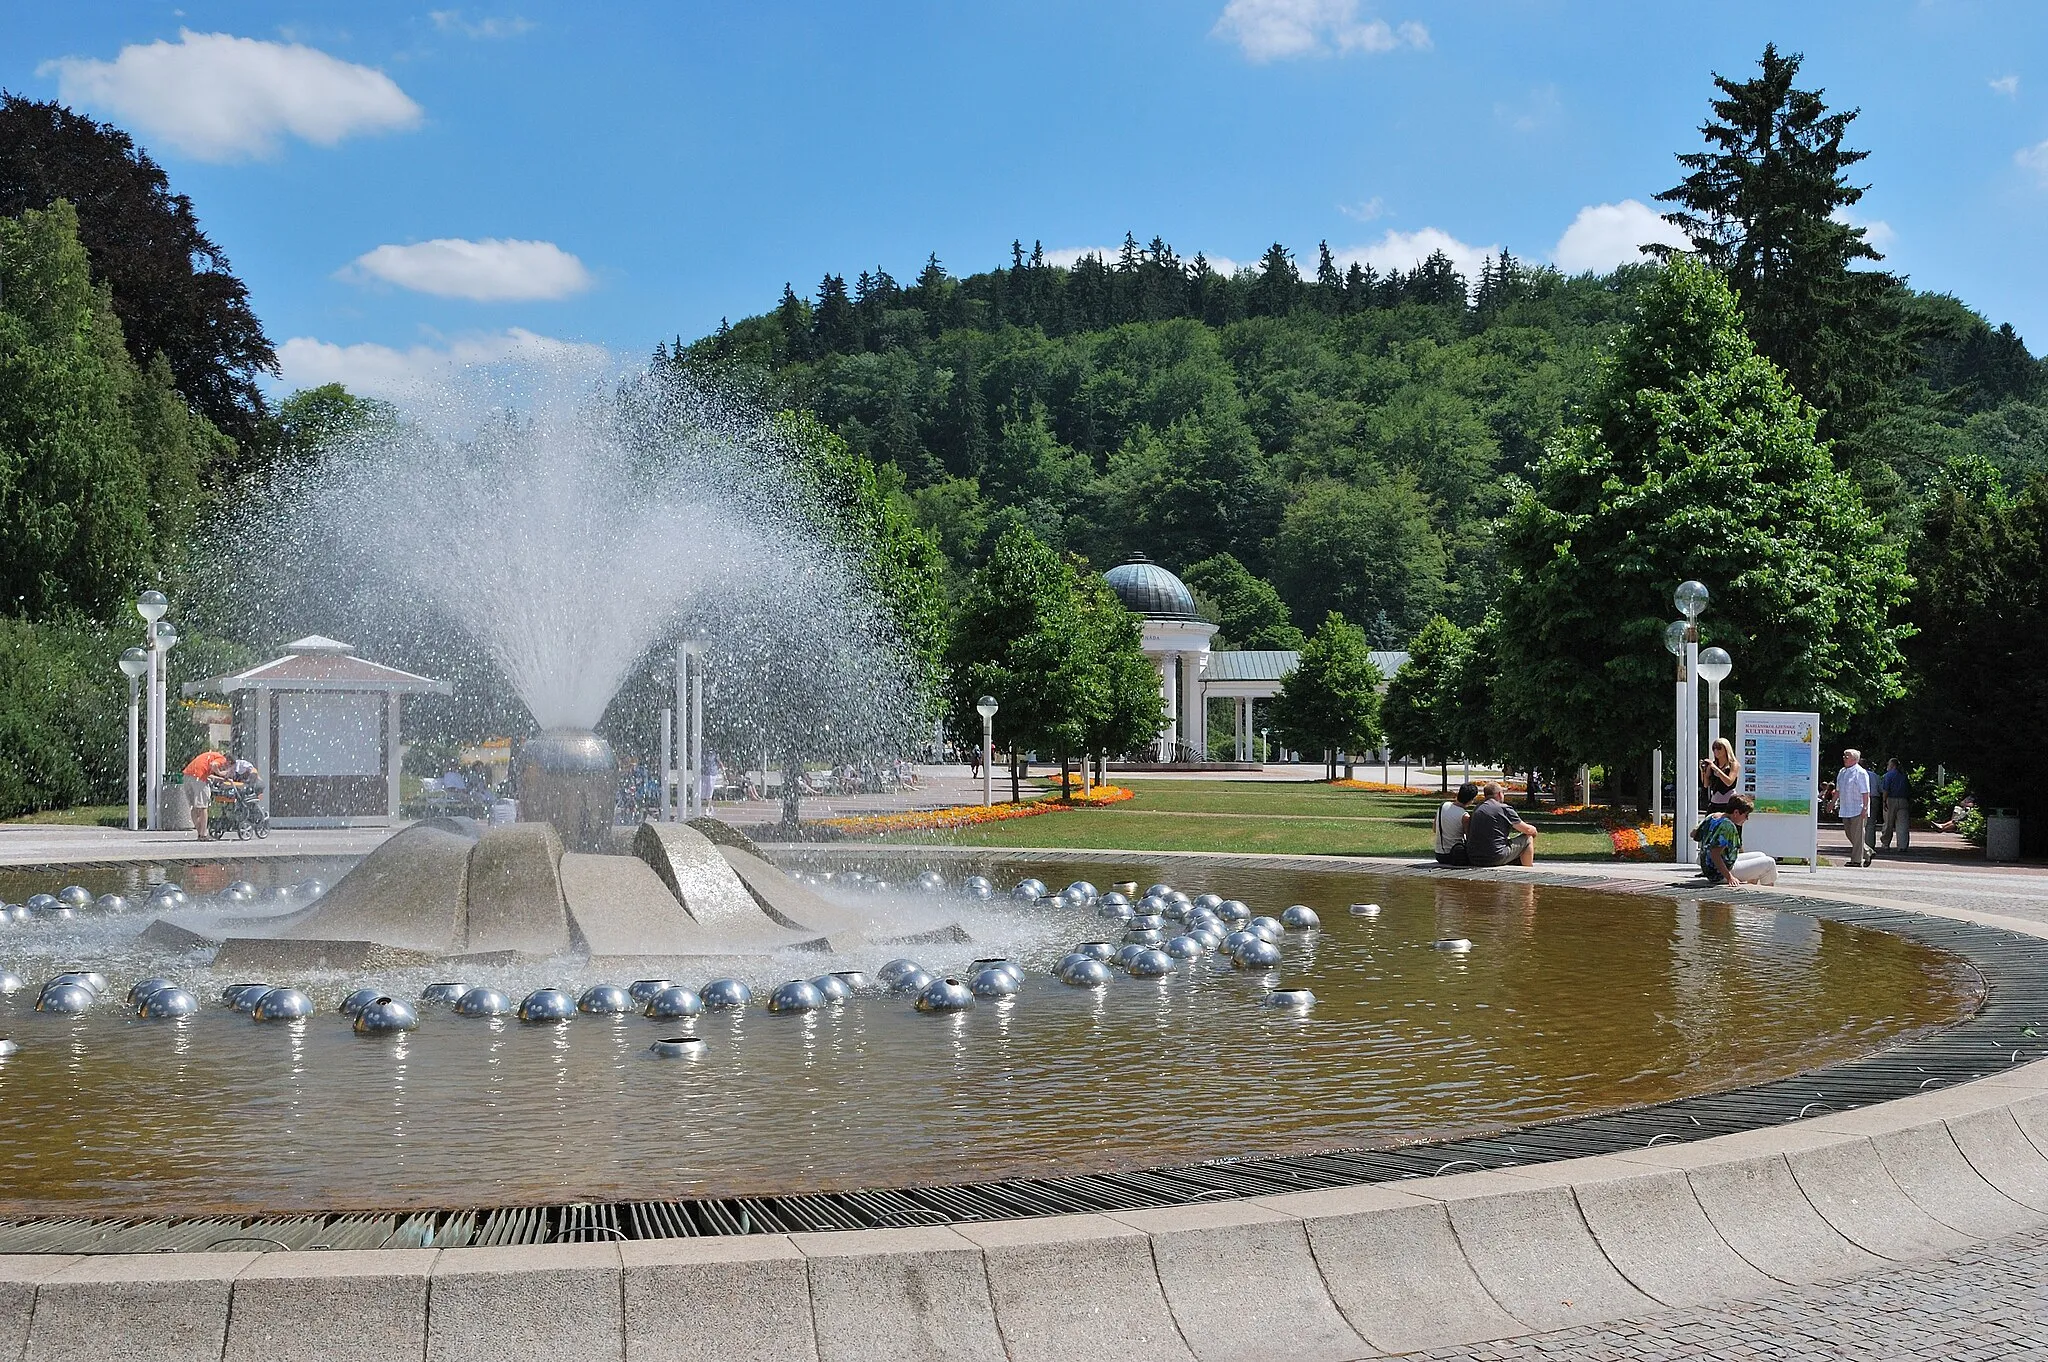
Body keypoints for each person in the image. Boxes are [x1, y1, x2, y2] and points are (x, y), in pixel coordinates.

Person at [1698, 793, 1778, 887]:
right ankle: (1767, 893)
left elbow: (1694, 835)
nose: (1747, 819)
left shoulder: (1712, 816)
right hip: (1719, 874)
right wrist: (1730, 877)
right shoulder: (1727, 826)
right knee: (1769, 863)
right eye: (1746, 815)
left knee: (1761, 855)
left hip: (1709, 868)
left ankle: (1751, 887)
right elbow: (1715, 854)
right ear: (1736, 813)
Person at [1464, 781, 1538, 868]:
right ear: (1499, 794)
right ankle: (1528, 870)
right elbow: (1527, 830)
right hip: (1495, 857)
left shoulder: (1477, 809)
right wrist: (1534, 830)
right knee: (1528, 839)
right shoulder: (1503, 809)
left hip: (1474, 858)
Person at [180, 749, 231, 841]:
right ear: (228, 761)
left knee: (194, 807)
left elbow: (207, 773)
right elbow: (213, 765)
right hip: (198, 778)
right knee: (203, 807)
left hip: (187, 776)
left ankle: (200, 833)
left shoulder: (208, 756)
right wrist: (221, 773)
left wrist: (220, 779)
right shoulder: (222, 758)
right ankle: (203, 834)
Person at [1836, 748, 1873, 867]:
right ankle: (1867, 852)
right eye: (1844, 756)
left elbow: (1865, 792)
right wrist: (1832, 803)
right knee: (1849, 834)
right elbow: (1838, 790)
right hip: (1846, 808)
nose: (1844, 758)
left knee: (1857, 835)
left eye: (1847, 756)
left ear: (1855, 759)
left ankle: (1856, 860)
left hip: (1858, 808)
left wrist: (1865, 807)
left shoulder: (1860, 772)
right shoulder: (1842, 772)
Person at [1435, 781, 1480, 866]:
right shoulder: (1464, 815)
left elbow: (1434, 829)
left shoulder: (1443, 806)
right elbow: (1469, 837)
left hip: (1439, 854)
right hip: (1455, 855)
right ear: (1471, 800)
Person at [1879, 757, 1911, 852]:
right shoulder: (1904, 775)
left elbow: (1885, 790)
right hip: (1903, 800)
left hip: (1891, 800)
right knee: (1903, 824)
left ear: (1892, 765)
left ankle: (1885, 843)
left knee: (1888, 823)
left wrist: (1884, 801)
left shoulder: (1888, 775)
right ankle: (1902, 845)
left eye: (1888, 764)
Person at [1700, 737, 1741, 812]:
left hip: (1728, 803)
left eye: (1719, 748)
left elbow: (1729, 782)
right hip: (1714, 802)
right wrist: (1703, 771)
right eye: (1714, 748)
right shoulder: (1713, 764)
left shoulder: (1733, 764)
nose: (1716, 751)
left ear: (1726, 749)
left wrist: (1716, 768)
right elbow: (1706, 784)